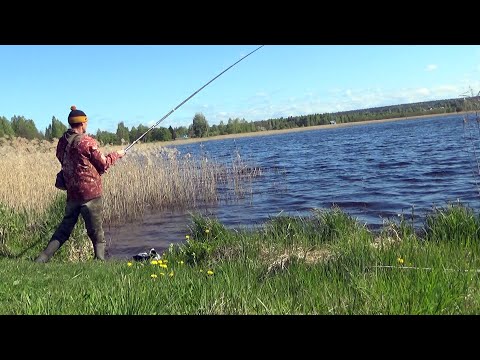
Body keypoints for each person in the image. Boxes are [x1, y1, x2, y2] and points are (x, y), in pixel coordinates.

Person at [35, 105, 125, 263]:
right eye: (86, 122)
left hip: (72, 193)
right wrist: (116, 155)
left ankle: (42, 259)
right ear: (83, 123)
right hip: (90, 194)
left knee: (64, 229)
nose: (87, 125)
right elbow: (103, 164)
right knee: (97, 233)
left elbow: (61, 158)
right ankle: (100, 262)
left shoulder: (62, 142)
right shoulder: (87, 142)